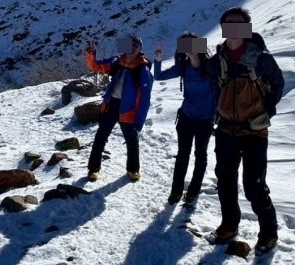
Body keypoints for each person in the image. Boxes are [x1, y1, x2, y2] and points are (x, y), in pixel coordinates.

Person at [206, 7, 284, 256]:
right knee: (225, 180)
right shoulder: (216, 61)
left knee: (254, 185)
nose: (233, 27)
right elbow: (214, 87)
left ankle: (269, 233)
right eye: (229, 23)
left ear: (247, 28)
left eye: (239, 23)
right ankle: (229, 226)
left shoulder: (261, 58)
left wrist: (266, 111)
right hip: (226, 129)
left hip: (254, 131)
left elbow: (278, 83)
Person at [154, 32, 216, 206]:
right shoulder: (183, 67)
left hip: (205, 120)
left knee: (200, 155)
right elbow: (158, 76)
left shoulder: (211, 66)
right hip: (186, 118)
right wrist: (157, 60)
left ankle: (194, 190)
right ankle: (176, 190)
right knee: (183, 155)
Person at [85, 35, 153, 182]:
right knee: (100, 136)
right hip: (111, 105)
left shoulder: (142, 69)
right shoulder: (117, 61)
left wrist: (139, 122)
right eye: (130, 45)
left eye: (136, 45)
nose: (132, 48)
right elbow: (95, 67)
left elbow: (145, 99)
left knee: (131, 139)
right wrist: (91, 54)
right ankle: (93, 169)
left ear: (140, 49)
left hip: (129, 109)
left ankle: (133, 169)